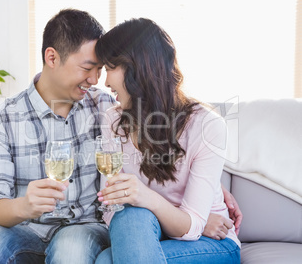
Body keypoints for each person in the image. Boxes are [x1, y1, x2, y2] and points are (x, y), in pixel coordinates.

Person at [0, 9, 241, 263]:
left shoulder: (106, 106)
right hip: (26, 229)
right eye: (87, 68)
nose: (96, 80)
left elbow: (168, 147)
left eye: (102, 69)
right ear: (52, 57)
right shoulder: (5, 118)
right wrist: (22, 206)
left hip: (84, 230)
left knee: (79, 247)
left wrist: (207, 196)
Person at [94, 18, 241, 263]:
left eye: (110, 68)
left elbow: (193, 227)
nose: (105, 82)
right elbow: (111, 208)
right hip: (144, 233)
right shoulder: (113, 120)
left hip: (211, 242)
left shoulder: (207, 126)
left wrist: (144, 197)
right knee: (129, 216)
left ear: (137, 67)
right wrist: (168, 219)